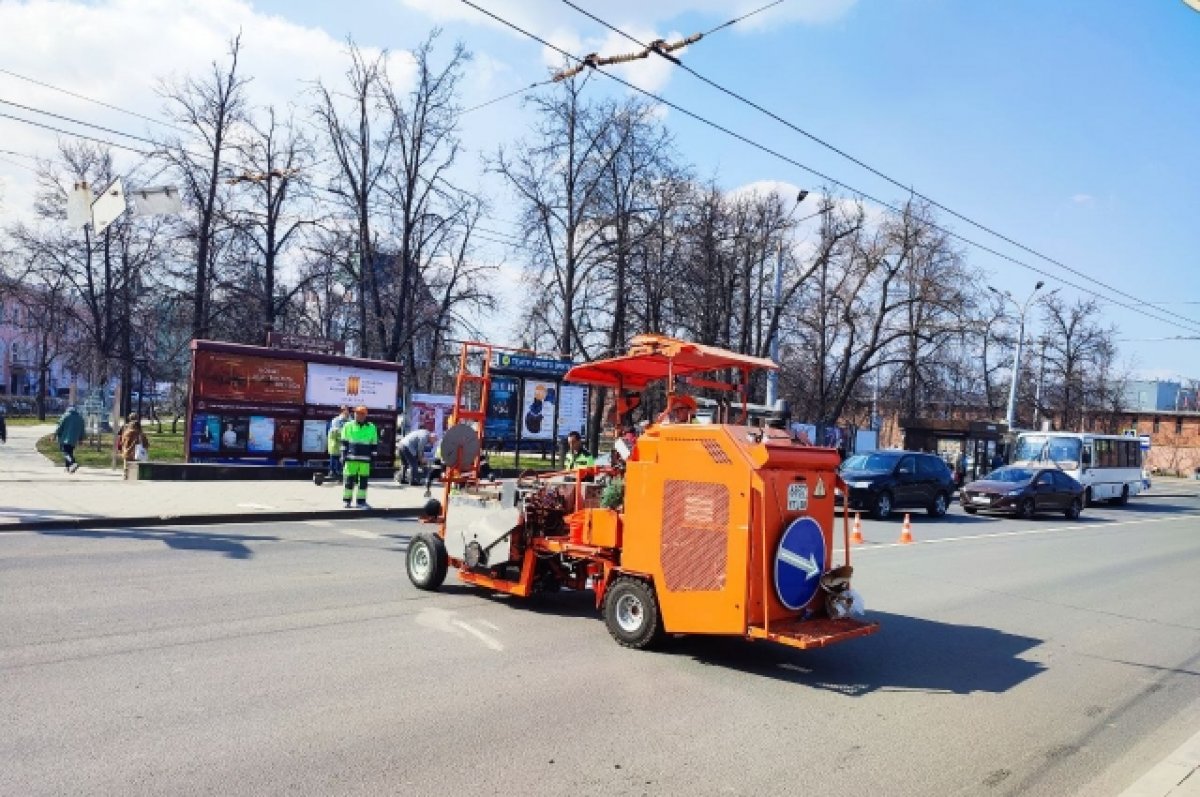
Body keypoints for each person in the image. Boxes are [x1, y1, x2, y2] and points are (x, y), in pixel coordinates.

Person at [340, 405, 378, 508]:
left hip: (365, 460)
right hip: (350, 459)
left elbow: (374, 444)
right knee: (349, 480)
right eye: (356, 413)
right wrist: (343, 455)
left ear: (365, 415)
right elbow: (344, 442)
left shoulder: (371, 427)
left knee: (363, 481)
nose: (358, 415)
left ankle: (361, 502)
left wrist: (374, 459)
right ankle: (347, 501)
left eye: (361, 413)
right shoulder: (348, 425)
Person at [55, 405, 86, 473]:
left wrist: (55, 435)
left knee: (65, 453)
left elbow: (59, 426)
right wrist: (81, 439)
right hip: (74, 439)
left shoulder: (66, 416)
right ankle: (67, 468)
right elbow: (82, 430)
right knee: (70, 452)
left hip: (65, 438)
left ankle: (73, 463)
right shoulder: (80, 418)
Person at [118, 413, 149, 477]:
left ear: (129, 418)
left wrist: (120, 448)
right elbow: (146, 443)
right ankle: (133, 476)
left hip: (128, 450)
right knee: (135, 465)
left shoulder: (125, 428)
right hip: (137, 451)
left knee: (126, 465)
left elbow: (121, 439)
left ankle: (126, 475)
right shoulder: (140, 430)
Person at [326, 406, 350, 480]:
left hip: (345, 444)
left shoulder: (350, 420)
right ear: (341, 411)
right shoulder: (336, 420)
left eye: (347, 410)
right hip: (335, 443)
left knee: (343, 458)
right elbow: (335, 432)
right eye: (344, 410)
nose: (346, 412)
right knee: (334, 457)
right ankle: (332, 472)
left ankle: (341, 472)